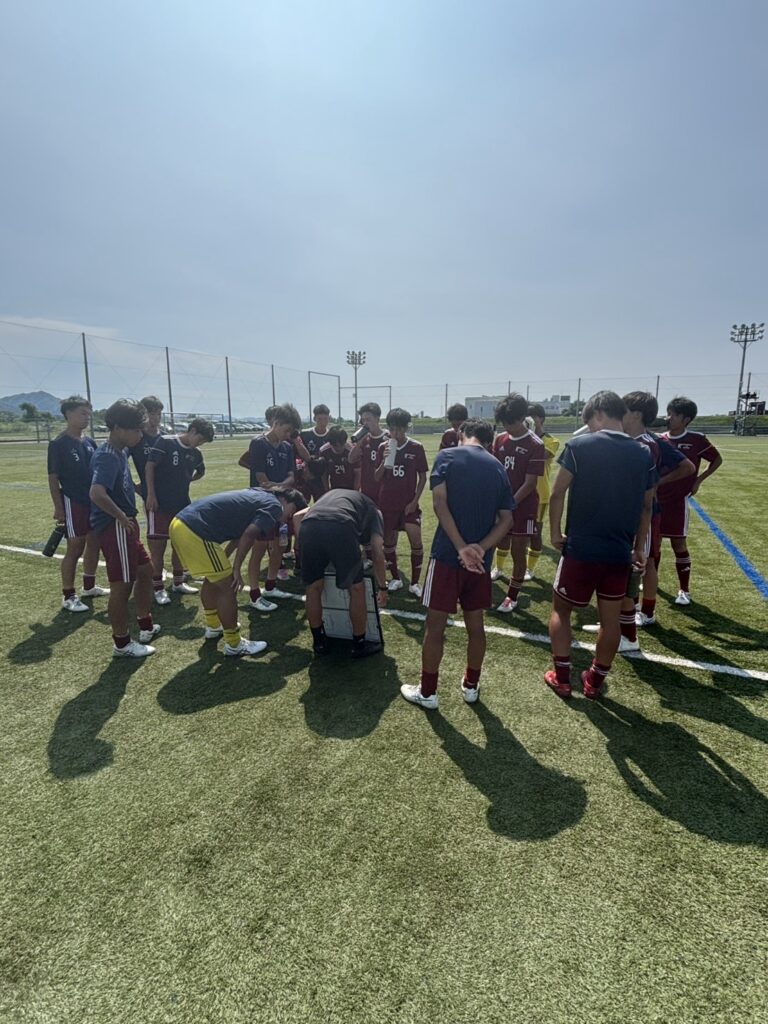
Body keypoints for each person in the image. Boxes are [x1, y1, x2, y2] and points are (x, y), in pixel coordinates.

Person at [544, 391, 656, 700]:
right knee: (610, 620)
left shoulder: (580, 446)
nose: (590, 428)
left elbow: (557, 493)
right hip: (619, 552)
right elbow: (647, 506)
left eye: (590, 422)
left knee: (561, 610)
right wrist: (639, 548)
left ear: (598, 414)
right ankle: (594, 680)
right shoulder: (643, 453)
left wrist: (554, 533)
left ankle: (562, 677)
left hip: (580, 548)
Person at [400, 419, 514, 710]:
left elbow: (440, 505)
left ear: (462, 434)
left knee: (435, 626)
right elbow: (507, 520)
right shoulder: (498, 467)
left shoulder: (447, 456)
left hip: (447, 557)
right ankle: (471, 685)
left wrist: (462, 548)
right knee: (476, 627)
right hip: (480, 563)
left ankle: (428, 692)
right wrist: (480, 549)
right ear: (489, 440)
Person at [170, 487, 306, 656]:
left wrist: (226, 560)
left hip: (180, 523)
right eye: (292, 512)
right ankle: (234, 644)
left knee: (214, 578)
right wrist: (235, 569)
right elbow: (249, 535)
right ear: (287, 500)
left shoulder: (260, 495)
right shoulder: (274, 506)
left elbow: (238, 536)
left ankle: (213, 626)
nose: (288, 518)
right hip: (194, 529)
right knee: (228, 587)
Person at [89, 399, 160, 658]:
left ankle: (145, 624)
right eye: (136, 430)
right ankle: (122, 643)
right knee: (122, 584)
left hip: (125, 525)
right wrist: (120, 516)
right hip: (116, 526)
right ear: (118, 428)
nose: (140, 434)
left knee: (145, 571)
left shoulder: (119, 451)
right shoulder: (108, 455)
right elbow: (97, 493)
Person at [620, 393, 695, 636]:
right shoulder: (630, 440)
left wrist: (658, 482)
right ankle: (628, 611)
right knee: (634, 560)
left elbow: (688, 467)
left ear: (636, 414)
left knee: (646, 561)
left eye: (623, 410)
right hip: (629, 512)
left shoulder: (649, 443)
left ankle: (646, 613)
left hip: (644, 513)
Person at [293, 489, 387, 659]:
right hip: (341, 526)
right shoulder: (375, 512)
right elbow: (377, 552)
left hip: (309, 525)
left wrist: (307, 547)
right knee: (356, 588)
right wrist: (383, 587)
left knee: (313, 587)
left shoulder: (335, 496)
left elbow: (297, 517)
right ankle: (359, 644)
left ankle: (319, 642)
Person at [657, 396, 723, 606]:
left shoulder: (697, 439)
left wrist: (699, 480)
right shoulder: (659, 439)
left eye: (673, 415)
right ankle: (651, 581)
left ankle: (684, 590)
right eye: (668, 413)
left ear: (686, 419)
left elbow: (717, 459)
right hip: (657, 499)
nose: (668, 418)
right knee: (654, 544)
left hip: (678, 501)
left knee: (678, 543)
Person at [47, 395, 110, 611]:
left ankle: (89, 586)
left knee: (94, 543)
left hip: (93, 502)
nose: (87, 417)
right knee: (75, 547)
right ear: (68, 414)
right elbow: (53, 478)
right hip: (73, 502)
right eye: (83, 413)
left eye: (89, 414)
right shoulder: (58, 444)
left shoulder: (89, 442)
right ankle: (68, 596)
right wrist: (58, 507)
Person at [145, 418, 215, 605]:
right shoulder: (165, 442)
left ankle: (178, 581)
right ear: (192, 430)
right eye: (200, 439)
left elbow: (201, 471)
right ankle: (158, 588)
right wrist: (150, 494)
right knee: (158, 548)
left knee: (179, 545)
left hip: (182, 504)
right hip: (159, 504)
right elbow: (149, 466)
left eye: (203, 442)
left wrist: (185, 480)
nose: (200, 444)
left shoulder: (196, 453)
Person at [238, 403, 300, 610]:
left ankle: (271, 586)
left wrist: (281, 488)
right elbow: (261, 478)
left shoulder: (287, 447)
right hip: (262, 505)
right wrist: (278, 490)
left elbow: (291, 477)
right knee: (259, 548)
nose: (288, 435)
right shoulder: (259, 443)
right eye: (286, 430)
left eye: (291, 431)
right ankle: (255, 595)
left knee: (280, 545)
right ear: (276, 423)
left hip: (282, 504)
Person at [490, 394, 545, 612]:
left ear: (522, 418)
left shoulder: (535, 444)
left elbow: (530, 483)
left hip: (523, 507)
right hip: (501, 505)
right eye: (504, 423)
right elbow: (494, 472)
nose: (507, 427)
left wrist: (509, 504)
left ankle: (512, 597)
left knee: (518, 551)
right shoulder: (500, 440)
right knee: (494, 542)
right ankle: (490, 576)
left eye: (510, 422)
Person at [373, 408, 428, 596]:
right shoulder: (383, 447)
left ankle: (415, 583)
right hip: (387, 503)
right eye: (392, 429)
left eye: (399, 429)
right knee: (388, 542)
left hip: (408, 505)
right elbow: (377, 477)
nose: (395, 433)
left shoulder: (416, 447)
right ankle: (396, 578)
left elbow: (423, 477)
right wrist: (384, 461)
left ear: (406, 427)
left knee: (416, 540)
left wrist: (414, 501)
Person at [525, 403, 561, 580]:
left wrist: (528, 436)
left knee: (534, 533)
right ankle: (500, 567)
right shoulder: (521, 439)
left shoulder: (551, 441)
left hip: (539, 494)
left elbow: (539, 456)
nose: (528, 420)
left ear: (540, 419)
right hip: (520, 492)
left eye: (532, 416)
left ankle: (529, 569)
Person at [347, 402, 389, 506]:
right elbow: (351, 459)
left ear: (377, 419)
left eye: (368, 419)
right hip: (367, 491)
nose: (365, 423)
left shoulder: (388, 437)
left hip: (384, 490)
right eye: (363, 420)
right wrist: (359, 442)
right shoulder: (364, 439)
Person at [128, 394, 164, 501]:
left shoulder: (165, 437)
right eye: (152, 414)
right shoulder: (136, 437)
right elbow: (120, 463)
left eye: (159, 414)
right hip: (149, 495)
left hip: (169, 492)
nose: (157, 417)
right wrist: (134, 486)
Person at [294, 404, 331, 503]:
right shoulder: (305, 434)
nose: (323, 422)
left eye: (325, 418)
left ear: (329, 418)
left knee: (321, 503)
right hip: (306, 476)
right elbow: (297, 453)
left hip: (322, 477)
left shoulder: (331, 435)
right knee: (302, 502)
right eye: (319, 419)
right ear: (314, 419)